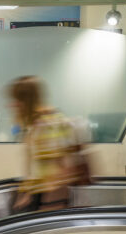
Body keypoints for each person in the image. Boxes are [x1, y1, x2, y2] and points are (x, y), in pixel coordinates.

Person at [8, 76, 91, 212]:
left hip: (50, 200)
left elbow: (56, 169)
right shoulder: (45, 121)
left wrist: (38, 200)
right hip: (50, 198)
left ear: (25, 101)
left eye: (16, 100)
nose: (11, 105)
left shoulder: (45, 125)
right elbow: (41, 166)